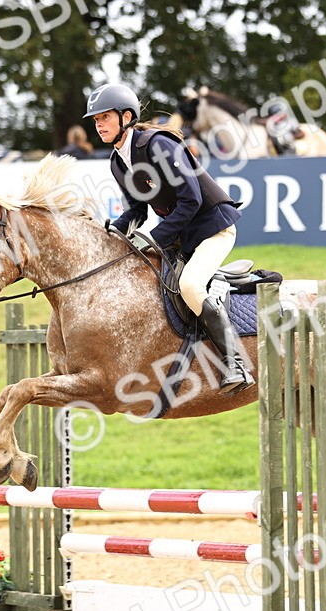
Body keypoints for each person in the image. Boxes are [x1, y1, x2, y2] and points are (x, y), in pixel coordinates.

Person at [84, 82, 252, 392]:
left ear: (126, 116)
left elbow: (191, 201)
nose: (99, 125)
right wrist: (107, 234)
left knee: (189, 285)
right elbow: (136, 211)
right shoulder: (118, 162)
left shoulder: (157, 145)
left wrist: (155, 238)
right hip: (180, 235)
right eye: (95, 120)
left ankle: (236, 364)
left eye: (104, 117)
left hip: (212, 229)